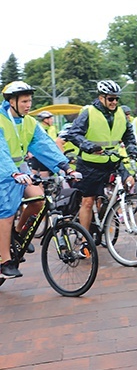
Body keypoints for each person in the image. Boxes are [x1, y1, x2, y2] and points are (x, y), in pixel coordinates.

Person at [0, 81, 78, 279]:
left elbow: (45, 145)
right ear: (11, 101)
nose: (29, 105)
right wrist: (14, 173)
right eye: (24, 101)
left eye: (30, 100)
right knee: (6, 212)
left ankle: (16, 236)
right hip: (4, 170)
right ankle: (5, 261)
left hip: (18, 169)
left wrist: (66, 167)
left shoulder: (29, 122)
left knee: (39, 199)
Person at [66, 80, 137, 235]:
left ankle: (104, 219)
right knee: (88, 201)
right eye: (111, 99)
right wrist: (89, 146)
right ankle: (85, 238)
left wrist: (132, 149)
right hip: (90, 164)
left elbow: (129, 136)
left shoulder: (120, 114)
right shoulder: (89, 112)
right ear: (101, 98)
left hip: (113, 161)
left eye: (117, 98)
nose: (114, 102)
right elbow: (74, 134)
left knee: (128, 183)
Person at [29, 110, 59, 176]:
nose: (52, 120)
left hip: (49, 153)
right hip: (40, 153)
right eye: (50, 119)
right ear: (45, 120)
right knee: (40, 172)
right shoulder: (39, 128)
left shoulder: (52, 128)